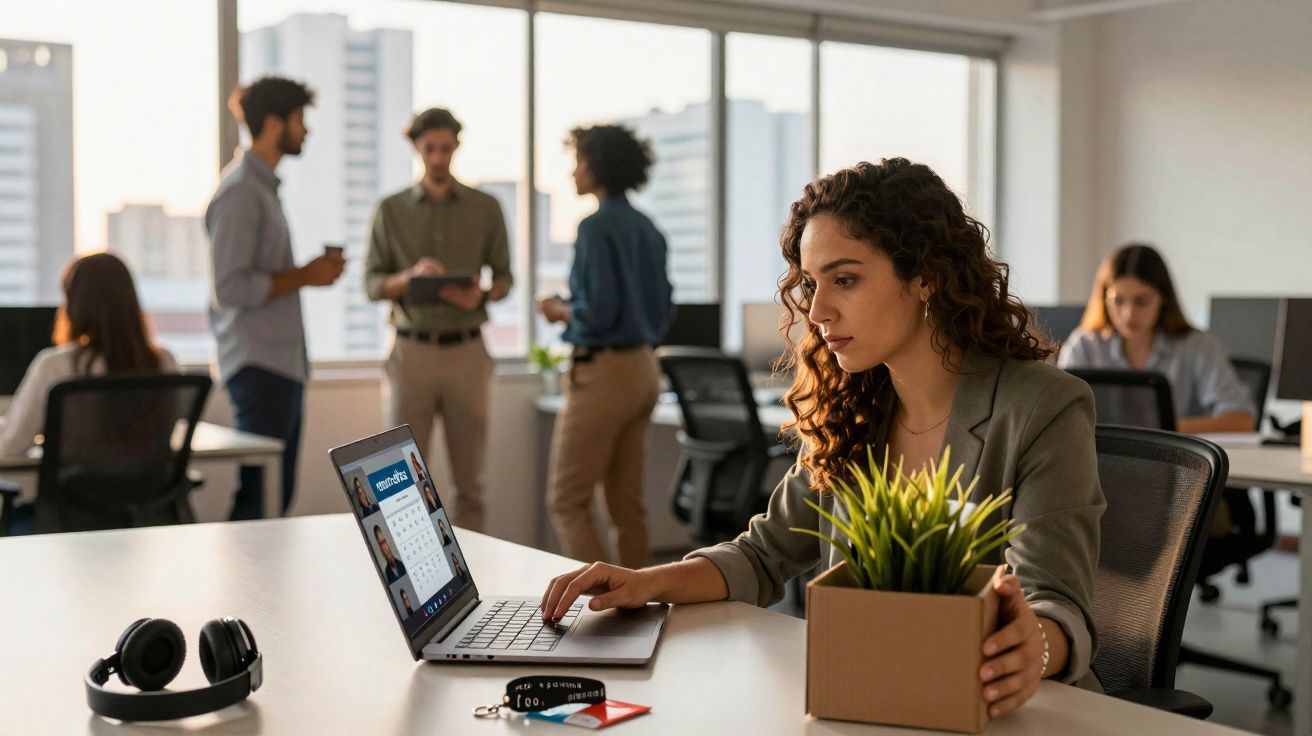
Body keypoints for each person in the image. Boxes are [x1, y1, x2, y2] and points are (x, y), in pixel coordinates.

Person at [540, 159, 1107, 717]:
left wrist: (1037, 645)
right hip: (868, 696)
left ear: (925, 276)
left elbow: (1052, 601)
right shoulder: (852, 411)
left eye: (846, 279)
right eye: (811, 284)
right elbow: (762, 557)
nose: (817, 309)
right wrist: (644, 582)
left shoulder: (1040, 407)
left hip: (1009, 710)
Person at [365, 108, 512, 533]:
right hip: (410, 352)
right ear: (416, 148)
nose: (437, 157)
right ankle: (411, 583)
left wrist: (481, 294)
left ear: (456, 147)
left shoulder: (486, 208)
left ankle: (476, 582)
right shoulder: (390, 210)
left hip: (467, 351)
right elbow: (371, 283)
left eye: (445, 148)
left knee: (471, 484)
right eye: (429, 148)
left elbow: (505, 279)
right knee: (399, 481)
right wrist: (409, 278)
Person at [206, 76, 345, 521]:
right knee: (261, 501)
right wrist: (304, 275)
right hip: (258, 365)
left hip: (278, 363)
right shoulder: (242, 191)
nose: (306, 130)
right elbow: (228, 288)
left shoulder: (262, 188)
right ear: (273, 123)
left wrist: (306, 276)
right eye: (300, 119)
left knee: (273, 499)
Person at [539, 124, 675, 569]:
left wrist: (560, 310)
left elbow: (595, 313)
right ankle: (641, 606)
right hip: (643, 369)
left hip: (603, 375)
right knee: (626, 505)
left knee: (567, 501)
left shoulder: (595, 228)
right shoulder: (649, 228)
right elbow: (662, 309)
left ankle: (602, 601)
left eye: (578, 161)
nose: (573, 172)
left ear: (598, 166)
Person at [0, 254, 179, 534]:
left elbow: (9, 448)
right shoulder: (163, 362)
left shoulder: (56, 365)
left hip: (66, 524)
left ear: (74, 302)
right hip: (145, 522)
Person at [1057, 243, 1255, 434]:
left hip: (1177, 464)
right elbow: (1059, 417)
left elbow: (1241, 420)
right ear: (1103, 299)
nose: (1128, 314)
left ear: (1164, 299)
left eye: (1141, 301)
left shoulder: (1198, 346)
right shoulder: (1084, 345)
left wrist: (1161, 431)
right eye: (1117, 300)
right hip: (1102, 464)